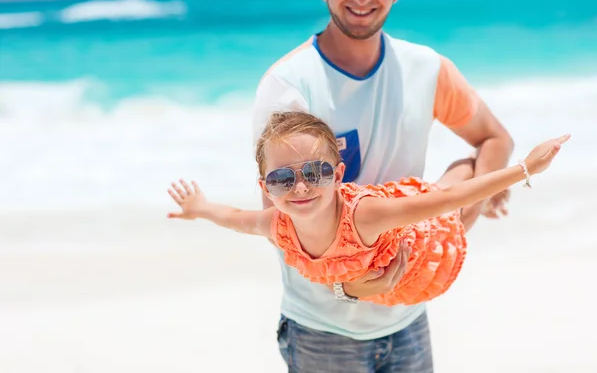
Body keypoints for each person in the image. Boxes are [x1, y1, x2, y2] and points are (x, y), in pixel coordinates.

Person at [248, 0, 516, 371]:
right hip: (325, 332)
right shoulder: (289, 85)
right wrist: (345, 286)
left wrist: (458, 218)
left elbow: (495, 140)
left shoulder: (426, 68)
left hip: (408, 316)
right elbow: (279, 222)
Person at [166, 111, 568, 310]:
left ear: (339, 174)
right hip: (385, 283)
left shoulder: (365, 216)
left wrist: (525, 169)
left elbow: (447, 203)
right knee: (450, 194)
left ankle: (473, 156)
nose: (301, 187)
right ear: (266, 189)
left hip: (424, 239)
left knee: (457, 201)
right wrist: (200, 208)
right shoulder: (277, 224)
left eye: (316, 172)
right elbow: (237, 219)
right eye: (282, 180)